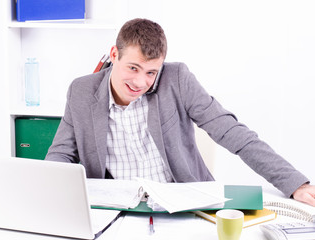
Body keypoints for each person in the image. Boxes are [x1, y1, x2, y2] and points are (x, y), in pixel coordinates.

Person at [45, 18, 315, 207]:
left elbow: (232, 133)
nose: (140, 82)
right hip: (116, 207)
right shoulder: (81, 90)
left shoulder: (177, 79)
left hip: (183, 201)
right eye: (133, 68)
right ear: (114, 54)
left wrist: (295, 184)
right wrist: (49, 192)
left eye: (151, 72)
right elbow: (60, 154)